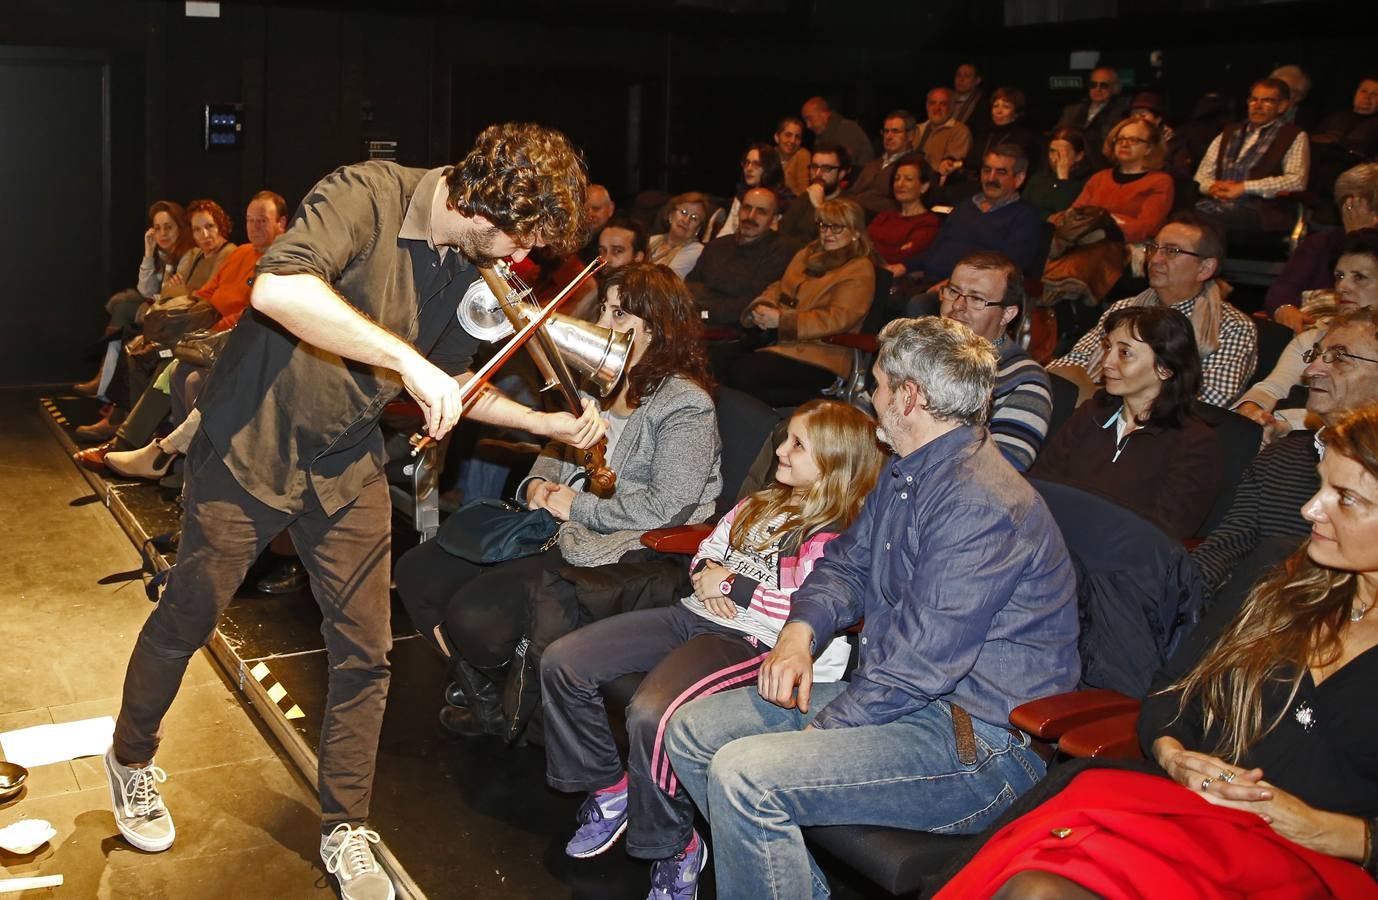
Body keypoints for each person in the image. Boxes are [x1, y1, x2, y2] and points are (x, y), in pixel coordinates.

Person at [101, 123, 602, 900]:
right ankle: (130, 759)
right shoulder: (365, 194)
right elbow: (279, 286)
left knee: (367, 651)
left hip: (345, 463)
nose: (516, 261)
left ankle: (346, 827)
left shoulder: (470, 266)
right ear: (479, 204)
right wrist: (403, 358)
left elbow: (454, 384)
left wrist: (545, 424)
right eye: (516, 240)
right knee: (188, 617)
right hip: (253, 445)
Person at [663, 315, 1080, 900]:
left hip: (979, 744)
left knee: (745, 774)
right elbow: (847, 565)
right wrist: (799, 632)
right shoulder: (909, 472)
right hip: (910, 701)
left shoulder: (980, 503)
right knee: (692, 730)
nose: (869, 395)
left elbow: (921, 665)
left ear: (909, 398)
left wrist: (819, 733)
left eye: (878, 384)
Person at [938, 406, 1378, 900]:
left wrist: (1326, 829)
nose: (1311, 509)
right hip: (1190, 808)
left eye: (1345, 498)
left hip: (1311, 861)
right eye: (1321, 486)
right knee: (1036, 884)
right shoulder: (1281, 575)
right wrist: (1175, 756)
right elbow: (1173, 689)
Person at [540, 400, 884, 898]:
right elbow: (709, 550)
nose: (781, 451)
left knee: (651, 714)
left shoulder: (835, 535)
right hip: (693, 614)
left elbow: (805, 610)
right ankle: (612, 788)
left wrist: (730, 587)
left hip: (750, 642)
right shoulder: (761, 503)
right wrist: (706, 577)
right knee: (565, 661)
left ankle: (675, 845)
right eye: (785, 438)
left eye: (796, 445)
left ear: (833, 461)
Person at [393, 262, 722, 739]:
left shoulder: (685, 404)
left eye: (620, 316)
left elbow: (668, 506)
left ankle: (509, 703)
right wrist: (535, 488)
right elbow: (554, 452)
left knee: (475, 616)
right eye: (604, 310)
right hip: (557, 527)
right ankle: (490, 696)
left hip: (628, 548)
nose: (603, 325)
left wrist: (577, 507)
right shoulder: (597, 384)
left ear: (655, 327)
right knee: (417, 571)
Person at [77, 193, 286, 476]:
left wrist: (206, 329)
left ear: (281, 224)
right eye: (250, 220)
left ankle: (138, 446)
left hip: (235, 343)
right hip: (208, 334)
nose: (255, 226)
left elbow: (255, 312)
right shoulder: (241, 253)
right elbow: (206, 292)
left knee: (171, 367)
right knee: (148, 351)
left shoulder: (281, 261)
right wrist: (186, 316)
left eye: (263, 220)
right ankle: (139, 443)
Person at [1193, 308, 1378, 601]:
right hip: (1248, 621)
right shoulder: (1280, 457)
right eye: (1315, 355)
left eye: (1340, 357)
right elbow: (1223, 549)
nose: (1312, 371)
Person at [1032, 305, 1223, 539]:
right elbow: (1040, 485)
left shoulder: (1194, 444)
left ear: (1164, 368)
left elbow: (1162, 535)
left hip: (1116, 566)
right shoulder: (1091, 414)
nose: (1106, 363)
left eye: (1124, 353)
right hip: (1051, 544)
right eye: (1108, 349)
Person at [1050, 212, 1258, 408]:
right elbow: (1072, 363)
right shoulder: (1125, 308)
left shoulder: (1231, 327)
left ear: (1205, 268)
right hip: (1090, 413)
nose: (1155, 259)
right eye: (1153, 247)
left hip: (1165, 436)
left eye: (1172, 251)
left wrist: (1105, 395)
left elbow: (1208, 400)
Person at [726, 198, 875, 406]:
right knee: (717, 361)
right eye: (823, 225)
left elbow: (838, 318)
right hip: (781, 345)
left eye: (837, 227)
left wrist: (782, 321)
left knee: (741, 373)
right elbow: (780, 286)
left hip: (822, 356)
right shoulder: (807, 254)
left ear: (856, 232)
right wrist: (765, 306)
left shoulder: (859, 268)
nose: (827, 233)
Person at [1237, 229, 1378, 435]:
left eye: (1359, 277)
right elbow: (1272, 388)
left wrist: (1287, 422)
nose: (1342, 286)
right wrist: (1252, 409)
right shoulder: (1312, 337)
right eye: (1339, 276)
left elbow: (1361, 414)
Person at [1041, 116, 1175, 307]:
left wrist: (1108, 222)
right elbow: (1076, 212)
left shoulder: (1160, 181)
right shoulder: (1099, 178)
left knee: (1099, 239)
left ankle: (1061, 285)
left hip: (1124, 244)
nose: (1125, 144)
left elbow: (1147, 227)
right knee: (1059, 223)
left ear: (1150, 148)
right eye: (1120, 139)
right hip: (1081, 237)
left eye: (1134, 140)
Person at [73, 201, 193, 408]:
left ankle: (104, 378)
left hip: (173, 318)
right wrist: (148, 252)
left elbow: (167, 296)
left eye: (168, 227)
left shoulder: (187, 255)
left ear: (180, 228)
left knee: (124, 310)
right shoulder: (162, 255)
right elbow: (145, 289)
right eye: (157, 228)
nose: (162, 233)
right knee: (122, 309)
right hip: (157, 310)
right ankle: (104, 378)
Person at [941, 250, 1053, 471]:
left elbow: (1004, 467)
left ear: (1007, 314)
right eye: (954, 291)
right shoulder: (918, 352)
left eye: (976, 299)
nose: (957, 306)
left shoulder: (1024, 380)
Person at [908, 144, 1043, 284]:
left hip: (968, 293)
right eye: (986, 170)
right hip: (927, 279)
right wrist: (904, 266)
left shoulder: (1024, 217)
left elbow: (1007, 271)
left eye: (1001, 172)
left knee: (918, 304)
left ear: (1019, 178)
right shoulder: (966, 206)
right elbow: (934, 249)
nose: (990, 178)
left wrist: (954, 285)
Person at [1195, 77, 1310, 238]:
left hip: (1263, 211)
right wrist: (1213, 187)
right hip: (1219, 202)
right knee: (1186, 214)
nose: (1258, 106)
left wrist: (1244, 187)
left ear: (1282, 106)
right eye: (1254, 100)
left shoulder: (1293, 136)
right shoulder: (1228, 133)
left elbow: (1296, 182)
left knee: (1208, 219)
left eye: (1267, 101)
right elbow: (1201, 176)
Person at [1268, 163, 1378, 326]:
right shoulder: (1319, 244)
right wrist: (1286, 311)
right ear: (1349, 205)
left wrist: (1358, 236)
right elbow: (1283, 289)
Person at [686, 187, 797, 328]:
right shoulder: (717, 246)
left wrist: (706, 306)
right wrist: (704, 312)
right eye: (746, 208)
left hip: (741, 334)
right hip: (699, 324)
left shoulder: (782, 251)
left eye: (761, 212)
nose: (750, 216)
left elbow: (750, 305)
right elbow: (688, 289)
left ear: (774, 220)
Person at [868, 155, 942, 277]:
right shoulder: (884, 215)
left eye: (908, 179)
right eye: (897, 178)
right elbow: (863, 246)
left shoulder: (929, 223)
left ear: (924, 186)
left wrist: (875, 248)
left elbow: (901, 256)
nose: (899, 184)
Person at [1054, 65, 1131, 169]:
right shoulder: (1072, 110)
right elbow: (1057, 136)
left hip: (1101, 166)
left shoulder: (1122, 112)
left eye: (1103, 85)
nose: (1097, 89)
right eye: (1093, 84)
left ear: (1115, 88)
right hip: (1069, 163)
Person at [845, 109, 915, 218]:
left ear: (910, 135)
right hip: (853, 216)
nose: (889, 136)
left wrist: (856, 205)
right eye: (886, 131)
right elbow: (853, 193)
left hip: (882, 221)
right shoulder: (873, 164)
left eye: (895, 131)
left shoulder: (913, 166)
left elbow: (899, 205)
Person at [777, 143, 849, 244]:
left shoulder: (848, 206)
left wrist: (819, 206)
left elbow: (834, 242)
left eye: (826, 169)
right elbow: (782, 233)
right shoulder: (804, 198)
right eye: (814, 167)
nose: (818, 173)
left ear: (841, 173)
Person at [716, 143, 787, 238]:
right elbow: (728, 229)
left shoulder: (781, 200)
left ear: (769, 167)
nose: (749, 169)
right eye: (746, 163)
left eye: (756, 164)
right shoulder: (742, 194)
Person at [1021, 127, 1090, 220]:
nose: (1054, 158)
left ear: (1079, 156)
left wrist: (1063, 178)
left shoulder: (1085, 184)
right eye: (1052, 151)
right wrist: (1047, 216)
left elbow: (1066, 217)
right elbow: (1023, 208)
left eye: (1062, 153)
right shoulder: (1039, 177)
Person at [647, 192, 709, 278]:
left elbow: (664, 281)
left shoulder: (696, 251)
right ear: (671, 215)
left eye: (694, 218)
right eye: (683, 212)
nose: (686, 220)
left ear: (698, 229)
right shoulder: (652, 240)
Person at [801, 95, 874, 167]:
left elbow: (844, 162)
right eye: (806, 121)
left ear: (824, 114)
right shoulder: (820, 136)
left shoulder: (847, 128)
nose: (808, 126)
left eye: (810, 119)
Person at [912, 89, 972, 176]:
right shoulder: (917, 129)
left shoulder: (960, 131)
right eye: (932, 103)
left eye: (943, 104)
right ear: (927, 106)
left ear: (952, 107)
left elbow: (950, 166)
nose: (937, 108)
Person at [774, 115, 811, 197]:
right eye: (788, 135)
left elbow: (803, 193)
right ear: (777, 137)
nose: (793, 141)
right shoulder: (770, 154)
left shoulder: (802, 155)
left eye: (797, 137)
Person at [951, 62, 988, 129]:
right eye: (958, 75)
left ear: (977, 80)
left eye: (967, 76)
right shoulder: (946, 97)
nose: (961, 79)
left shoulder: (983, 104)